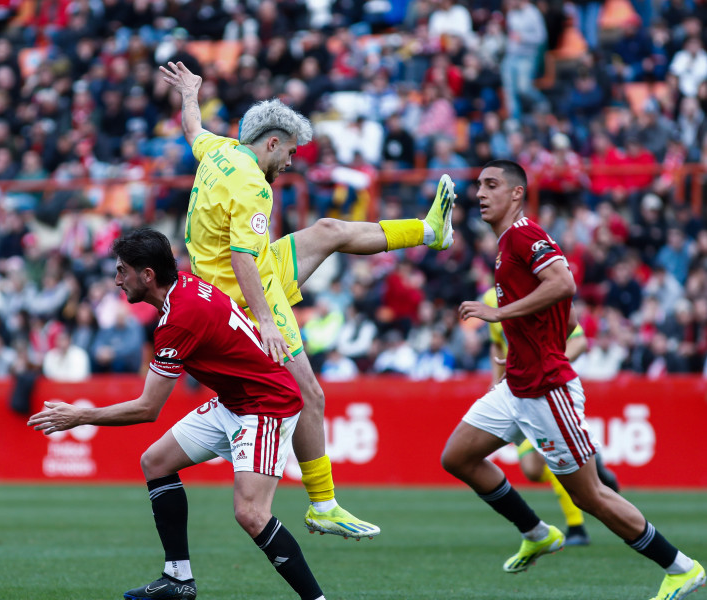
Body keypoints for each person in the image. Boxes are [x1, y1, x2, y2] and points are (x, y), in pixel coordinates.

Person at [160, 60, 455, 539]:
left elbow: (193, 127)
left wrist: (190, 93)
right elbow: (241, 260)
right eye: (290, 152)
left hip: (258, 271)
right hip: (243, 294)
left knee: (329, 230)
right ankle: (323, 504)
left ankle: (430, 231)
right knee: (309, 394)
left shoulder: (219, 151)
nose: (292, 162)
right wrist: (267, 323)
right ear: (271, 142)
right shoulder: (253, 184)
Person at [444, 160, 704, 598]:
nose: (481, 193)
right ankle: (536, 532)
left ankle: (681, 567)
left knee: (591, 497)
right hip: (517, 385)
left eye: (492, 185)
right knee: (457, 458)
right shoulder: (507, 244)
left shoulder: (526, 234)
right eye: (479, 186)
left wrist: (501, 313)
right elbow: (564, 315)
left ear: (516, 194)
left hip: (547, 389)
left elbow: (564, 284)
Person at [28, 228, 327, 600]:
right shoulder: (183, 287)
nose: (117, 280)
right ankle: (177, 579)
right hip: (236, 400)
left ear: (148, 275)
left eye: (123, 271)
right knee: (155, 462)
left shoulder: (178, 319)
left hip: (266, 404)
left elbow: (147, 408)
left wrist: (80, 416)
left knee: (251, 513)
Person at [482, 287, 620, 547]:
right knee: (533, 470)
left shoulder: (543, 291)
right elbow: (497, 344)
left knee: (552, 459)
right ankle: (594, 472)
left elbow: (578, 341)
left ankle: (576, 526)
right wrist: (494, 382)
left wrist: (541, 367)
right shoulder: (490, 298)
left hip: (545, 390)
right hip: (515, 393)